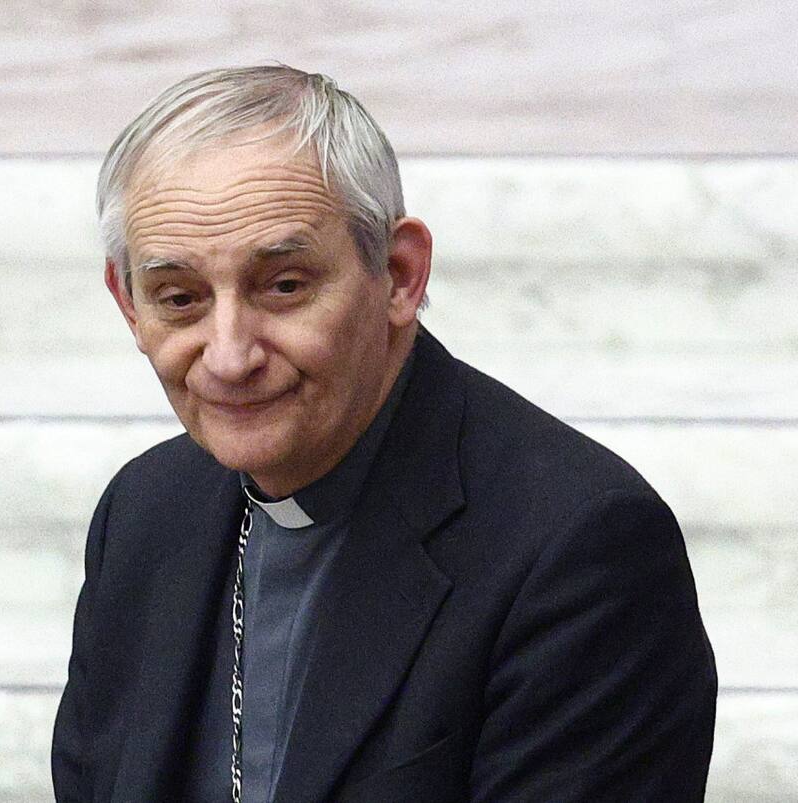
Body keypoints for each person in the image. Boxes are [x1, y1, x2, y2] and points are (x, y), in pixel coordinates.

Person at [51, 64, 717, 802]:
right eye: (180, 299)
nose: (230, 354)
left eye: (284, 286)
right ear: (129, 305)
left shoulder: (578, 547)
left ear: (399, 275)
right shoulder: (146, 511)